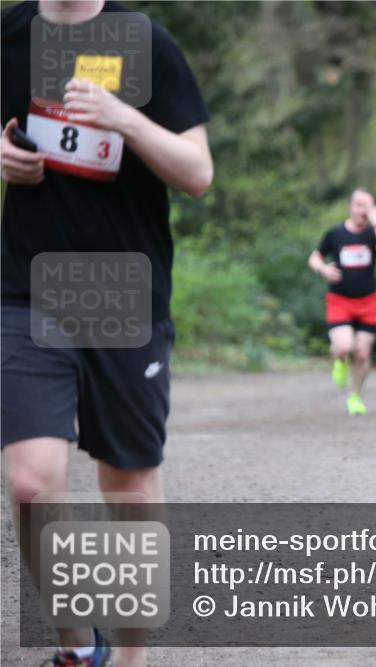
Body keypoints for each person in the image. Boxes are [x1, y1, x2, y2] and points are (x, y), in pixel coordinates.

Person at [1, 1, 213, 665]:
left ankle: (131, 656)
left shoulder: (146, 43)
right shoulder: (8, 35)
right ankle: (75, 642)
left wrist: (124, 118)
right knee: (32, 482)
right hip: (27, 288)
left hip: (125, 290)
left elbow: (197, 172)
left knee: (126, 483)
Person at [308, 188, 376, 415]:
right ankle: (339, 360)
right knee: (344, 347)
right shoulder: (336, 234)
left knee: (362, 353)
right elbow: (315, 257)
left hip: (368, 301)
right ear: (350, 206)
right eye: (358, 205)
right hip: (340, 299)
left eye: (367, 206)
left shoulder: (373, 233)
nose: (362, 210)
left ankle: (355, 396)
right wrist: (323, 269)